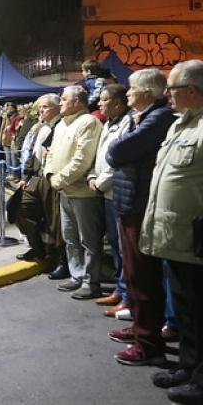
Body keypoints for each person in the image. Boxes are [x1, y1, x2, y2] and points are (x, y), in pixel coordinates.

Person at [140, 60, 203, 402]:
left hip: (196, 238)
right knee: (186, 309)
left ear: (192, 91)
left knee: (199, 310)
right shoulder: (181, 125)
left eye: (173, 89)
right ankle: (189, 367)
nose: (167, 95)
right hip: (176, 237)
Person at [106, 68, 176, 366]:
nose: (128, 93)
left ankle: (148, 344)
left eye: (132, 89)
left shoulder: (157, 119)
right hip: (131, 202)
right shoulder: (144, 118)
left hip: (139, 204)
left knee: (144, 276)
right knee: (136, 274)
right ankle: (140, 329)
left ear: (147, 93)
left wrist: (123, 144)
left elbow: (116, 151)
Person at [44, 86, 103, 299]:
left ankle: (90, 281)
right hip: (64, 190)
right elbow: (50, 154)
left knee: (88, 239)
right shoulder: (61, 124)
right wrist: (50, 174)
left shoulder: (88, 123)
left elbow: (82, 159)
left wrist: (57, 180)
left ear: (77, 101)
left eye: (63, 99)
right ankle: (77, 275)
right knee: (70, 237)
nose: (60, 103)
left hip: (82, 193)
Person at [86, 84, 131, 316]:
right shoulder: (108, 123)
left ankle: (127, 295)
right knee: (114, 245)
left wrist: (101, 182)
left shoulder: (129, 123)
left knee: (124, 248)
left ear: (117, 102)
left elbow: (120, 160)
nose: (99, 103)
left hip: (116, 192)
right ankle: (120, 289)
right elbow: (100, 154)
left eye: (104, 100)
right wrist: (93, 175)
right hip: (105, 191)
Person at [14, 94, 62, 263]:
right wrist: (25, 176)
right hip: (35, 177)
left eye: (46, 107)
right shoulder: (41, 127)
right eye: (40, 107)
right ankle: (37, 248)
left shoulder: (61, 126)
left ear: (57, 107)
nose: (41, 110)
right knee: (19, 209)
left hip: (52, 179)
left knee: (54, 220)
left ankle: (58, 258)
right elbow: (34, 154)